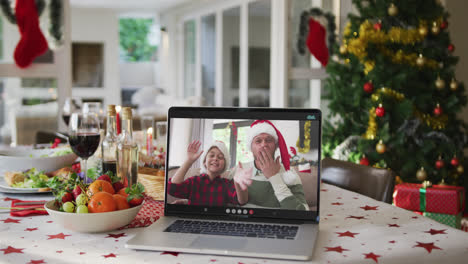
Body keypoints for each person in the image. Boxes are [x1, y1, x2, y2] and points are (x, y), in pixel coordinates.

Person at [233, 120, 308, 210]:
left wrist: (274, 177)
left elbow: (303, 212)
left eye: (268, 140)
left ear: (276, 146)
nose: (264, 144)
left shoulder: (290, 174)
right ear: (251, 147)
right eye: (258, 141)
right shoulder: (240, 170)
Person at [168, 140, 247, 206]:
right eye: (212, 155)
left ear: (224, 165)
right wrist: (189, 161)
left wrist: (238, 183)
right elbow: (172, 188)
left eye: (220, 157)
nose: (215, 158)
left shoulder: (227, 185)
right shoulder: (194, 182)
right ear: (204, 162)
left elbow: (242, 201)